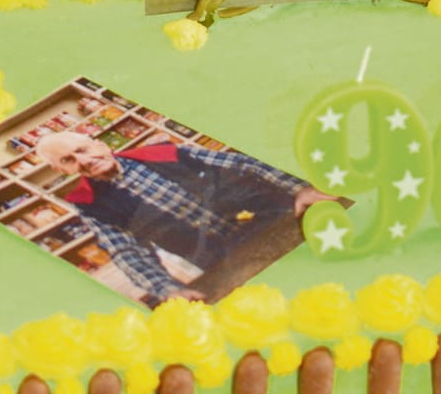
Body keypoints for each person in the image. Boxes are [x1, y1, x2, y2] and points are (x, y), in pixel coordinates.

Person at [18, 120, 323, 306]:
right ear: (62, 170)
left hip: (281, 222)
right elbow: (126, 252)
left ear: (98, 143)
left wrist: (299, 188)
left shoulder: (163, 150)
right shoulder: (89, 203)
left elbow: (241, 164)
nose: (82, 160)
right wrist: (167, 289)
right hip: (227, 261)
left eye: (82, 150)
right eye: (69, 161)